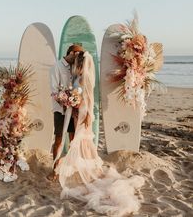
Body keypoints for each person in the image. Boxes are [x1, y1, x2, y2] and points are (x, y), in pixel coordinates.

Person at [55, 51, 145, 216]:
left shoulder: (84, 78)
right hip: (78, 112)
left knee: (83, 140)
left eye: (77, 64)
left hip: (84, 112)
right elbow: (79, 95)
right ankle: (83, 166)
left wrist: (87, 113)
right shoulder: (78, 77)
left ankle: (86, 168)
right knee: (81, 140)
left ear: (81, 64)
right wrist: (73, 104)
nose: (75, 66)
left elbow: (89, 97)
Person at [48, 44, 84, 181]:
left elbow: (79, 86)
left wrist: (75, 100)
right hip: (60, 110)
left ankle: (70, 167)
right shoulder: (56, 67)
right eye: (77, 56)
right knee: (58, 139)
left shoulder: (76, 67)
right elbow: (53, 90)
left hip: (74, 109)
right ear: (72, 53)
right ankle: (54, 169)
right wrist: (64, 101)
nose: (78, 59)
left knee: (73, 139)